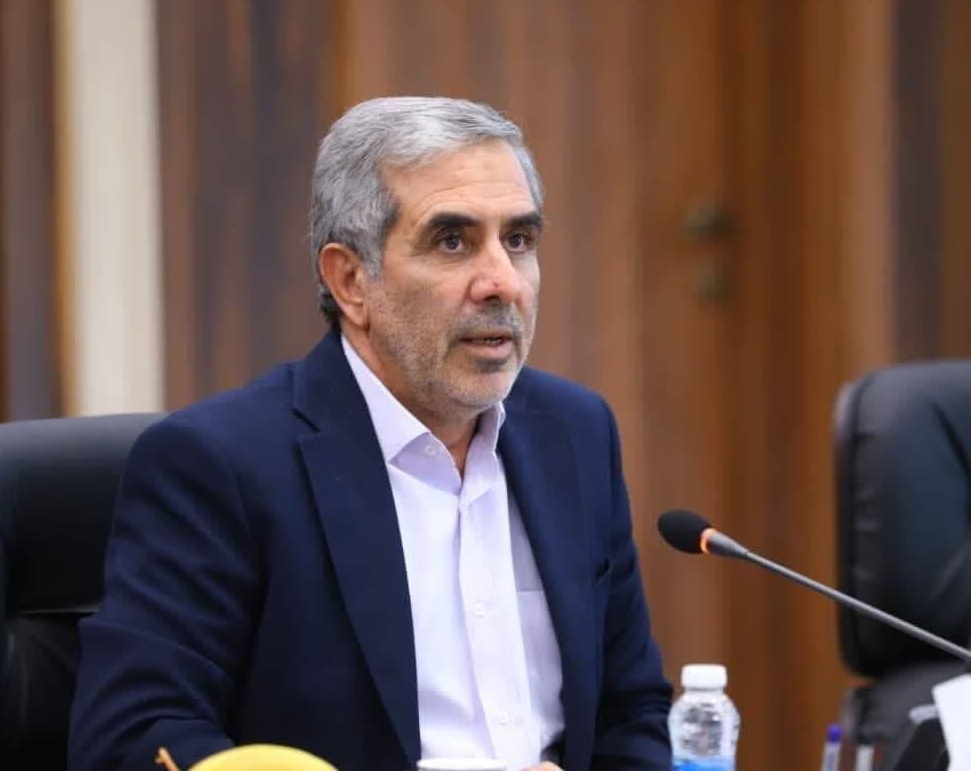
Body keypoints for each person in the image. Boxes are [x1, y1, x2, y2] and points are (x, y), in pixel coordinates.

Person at [68, 97, 672, 771]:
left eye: (519, 240)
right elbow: (134, 736)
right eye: (452, 241)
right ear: (351, 280)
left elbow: (630, 711)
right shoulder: (218, 465)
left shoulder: (575, 433)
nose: (502, 282)